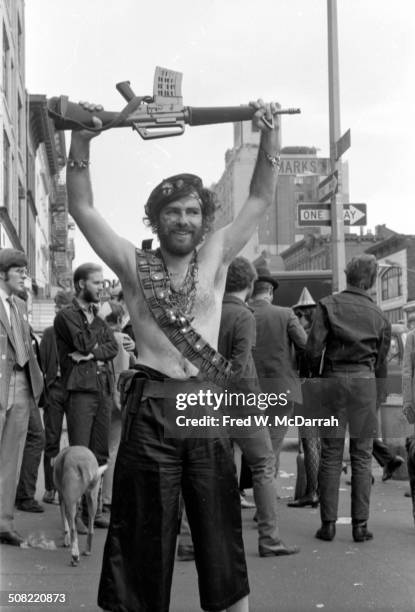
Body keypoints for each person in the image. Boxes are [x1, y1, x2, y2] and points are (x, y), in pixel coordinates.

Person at [66, 98, 281, 612]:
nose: (183, 220)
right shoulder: (132, 264)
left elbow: (259, 197)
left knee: (220, 538)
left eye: (192, 211)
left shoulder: (218, 254)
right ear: (156, 219)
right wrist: (82, 140)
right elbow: (82, 209)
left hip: (204, 410)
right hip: (152, 414)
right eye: (172, 212)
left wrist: (268, 133)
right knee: (142, 541)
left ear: (204, 218)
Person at [306, 254, 391, 543]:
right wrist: (378, 394)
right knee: (362, 455)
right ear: (372, 280)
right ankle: (359, 526)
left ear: (347, 275)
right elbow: (381, 362)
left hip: (333, 379)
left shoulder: (328, 305)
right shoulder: (379, 315)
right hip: (365, 382)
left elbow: (313, 349)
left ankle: (328, 525)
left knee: (330, 453)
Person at [219, 257, 299, 556]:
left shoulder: (211, 312)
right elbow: (238, 367)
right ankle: (269, 538)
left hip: (210, 402)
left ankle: (190, 541)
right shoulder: (244, 316)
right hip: (241, 402)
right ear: (250, 284)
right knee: (264, 465)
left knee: (211, 469)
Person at [54, 263, 119, 529]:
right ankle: (75, 514)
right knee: (80, 454)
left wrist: (92, 354)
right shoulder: (67, 316)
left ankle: (93, 510)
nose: (102, 288)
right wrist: (93, 344)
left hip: (101, 388)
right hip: (80, 390)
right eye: (96, 283)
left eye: (103, 283)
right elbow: (83, 342)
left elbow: (112, 347)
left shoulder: (96, 316)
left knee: (100, 452)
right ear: (81, 284)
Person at [0, 249, 44, 546]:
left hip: (21, 381)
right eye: (20, 272)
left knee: (10, 458)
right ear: (3, 274)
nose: (25, 277)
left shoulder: (18, 305)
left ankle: (3, 523)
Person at [250, 266, 307, 476]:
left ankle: (251, 489)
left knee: (248, 444)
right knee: (273, 443)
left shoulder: (241, 313)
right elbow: (305, 346)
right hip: (281, 389)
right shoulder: (285, 314)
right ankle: (267, 492)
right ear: (270, 293)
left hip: (247, 390)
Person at [97, 300, 136, 511]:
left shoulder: (101, 338)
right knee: (114, 450)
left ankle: (97, 498)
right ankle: (108, 498)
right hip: (122, 396)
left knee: (100, 449)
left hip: (102, 396)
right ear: (120, 319)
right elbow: (136, 364)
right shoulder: (125, 339)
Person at [288, 287, 321, 509]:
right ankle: (315, 490)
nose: (297, 319)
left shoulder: (305, 338)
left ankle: (312, 491)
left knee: (310, 443)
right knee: (315, 443)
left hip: (307, 390)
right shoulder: (323, 335)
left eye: (300, 315)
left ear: (305, 315)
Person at [40, 290, 73, 506]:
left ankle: (69, 488)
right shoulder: (49, 333)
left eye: (64, 308)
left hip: (74, 389)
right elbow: (42, 361)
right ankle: (51, 488)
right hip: (55, 389)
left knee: (77, 440)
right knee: (51, 440)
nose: (60, 312)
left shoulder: (78, 332)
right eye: (58, 308)